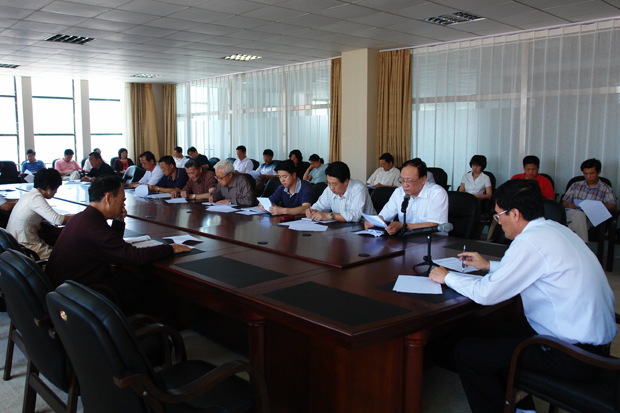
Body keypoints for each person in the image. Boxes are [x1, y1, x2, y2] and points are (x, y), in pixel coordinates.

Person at [429, 179, 617, 413]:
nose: (498, 222)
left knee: (467, 353)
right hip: (589, 341)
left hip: (573, 354)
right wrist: (488, 265)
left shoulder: (529, 241)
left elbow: (486, 293)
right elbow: (536, 268)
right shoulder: (554, 229)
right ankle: (521, 407)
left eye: (499, 216)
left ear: (515, 214)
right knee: (487, 331)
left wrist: (447, 277)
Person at [46, 175, 190, 313]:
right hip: (75, 298)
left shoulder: (82, 218)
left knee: (125, 276)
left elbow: (113, 245)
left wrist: (118, 221)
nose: (123, 204)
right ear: (108, 198)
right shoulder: (95, 229)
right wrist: (170, 248)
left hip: (62, 291)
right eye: (122, 200)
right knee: (131, 279)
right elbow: (135, 256)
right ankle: (139, 324)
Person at [364, 158, 448, 235]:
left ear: (423, 179)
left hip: (434, 240)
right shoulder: (399, 192)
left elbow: (433, 224)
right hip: (407, 239)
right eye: (402, 180)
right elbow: (385, 216)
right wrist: (373, 222)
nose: (405, 185)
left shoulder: (437, 193)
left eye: (409, 181)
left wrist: (403, 225)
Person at [7, 168, 71, 259]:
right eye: (56, 188)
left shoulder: (28, 195)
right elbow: (58, 220)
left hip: (15, 246)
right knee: (67, 256)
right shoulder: (36, 198)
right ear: (48, 187)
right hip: (27, 249)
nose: (56, 191)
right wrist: (79, 216)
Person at [562, 158, 616, 243]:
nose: (588, 177)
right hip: (572, 213)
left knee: (577, 220)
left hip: (590, 218)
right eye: (585, 174)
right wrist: (568, 205)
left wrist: (598, 205)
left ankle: (575, 246)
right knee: (579, 215)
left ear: (598, 172)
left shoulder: (605, 188)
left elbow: (613, 206)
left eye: (591, 173)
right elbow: (564, 202)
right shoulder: (576, 185)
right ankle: (583, 246)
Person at [306, 161, 375, 222]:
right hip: (341, 227)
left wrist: (328, 216)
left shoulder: (358, 188)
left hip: (366, 227)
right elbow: (319, 206)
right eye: (328, 183)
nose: (331, 188)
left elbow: (355, 215)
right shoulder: (329, 189)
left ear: (346, 181)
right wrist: (313, 211)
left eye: (334, 184)